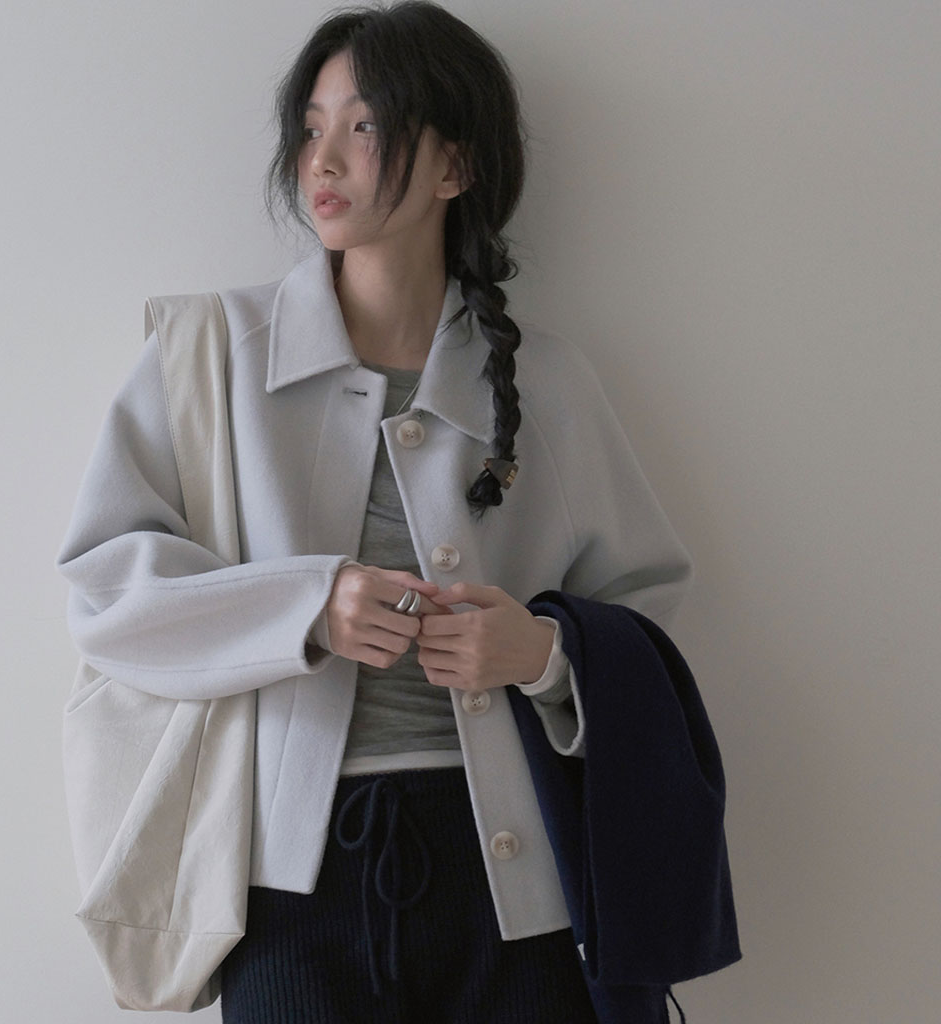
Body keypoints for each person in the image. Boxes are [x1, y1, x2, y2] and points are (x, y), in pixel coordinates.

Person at [58, 2, 693, 1021]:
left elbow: (643, 609)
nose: (323, 158)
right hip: (289, 884)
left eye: (365, 125)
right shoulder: (206, 357)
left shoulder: (549, 383)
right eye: (311, 126)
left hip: (515, 886)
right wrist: (310, 605)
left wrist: (538, 653)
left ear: (456, 166)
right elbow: (105, 594)